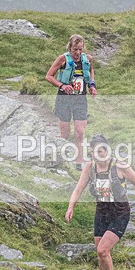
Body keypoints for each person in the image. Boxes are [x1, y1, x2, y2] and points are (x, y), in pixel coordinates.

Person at [66, 134, 135, 270]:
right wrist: (71, 207)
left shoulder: (119, 166)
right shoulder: (90, 168)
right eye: (97, 150)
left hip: (119, 212)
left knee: (102, 251)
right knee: (101, 254)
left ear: (108, 150)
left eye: (103, 149)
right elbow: (78, 189)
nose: (100, 153)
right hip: (101, 212)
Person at [45, 34, 97, 170]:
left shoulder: (88, 59)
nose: (78, 53)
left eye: (80, 49)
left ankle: (79, 163)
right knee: (65, 135)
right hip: (64, 99)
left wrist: (92, 86)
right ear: (70, 47)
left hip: (80, 99)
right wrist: (62, 85)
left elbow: (91, 72)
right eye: (75, 49)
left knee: (80, 132)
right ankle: (60, 160)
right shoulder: (63, 59)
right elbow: (49, 76)